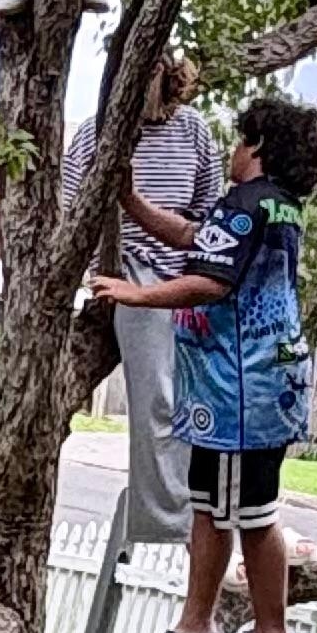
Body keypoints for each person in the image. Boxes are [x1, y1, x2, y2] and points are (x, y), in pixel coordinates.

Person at [93, 92, 317, 633]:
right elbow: (192, 236)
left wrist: (136, 294)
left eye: (240, 138)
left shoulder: (246, 205)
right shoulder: (274, 206)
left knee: (250, 514)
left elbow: (209, 282)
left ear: (258, 146)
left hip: (239, 393)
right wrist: (131, 201)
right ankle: (194, 628)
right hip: (250, 389)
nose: (232, 149)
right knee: (211, 509)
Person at [60, 51, 223, 546]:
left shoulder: (193, 130)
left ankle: (203, 509)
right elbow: (70, 209)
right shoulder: (96, 134)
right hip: (129, 270)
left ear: (167, 74)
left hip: (185, 276)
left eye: (152, 69)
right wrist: (95, 275)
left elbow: (209, 215)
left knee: (201, 402)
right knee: (159, 399)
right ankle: (170, 524)